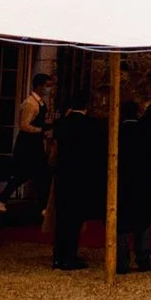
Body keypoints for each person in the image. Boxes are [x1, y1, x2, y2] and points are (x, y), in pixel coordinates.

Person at [49, 94, 105, 271]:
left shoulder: (62, 124)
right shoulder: (90, 126)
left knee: (62, 217)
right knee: (74, 219)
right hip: (81, 177)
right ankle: (69, 256)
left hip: (63, 174)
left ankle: (58, 255)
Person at [116, 102, 151, 273]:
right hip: (142, 181)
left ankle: (122, 261)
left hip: (123, 181)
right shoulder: (145, 132)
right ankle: (143, 259)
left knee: (123, 221)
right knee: (142, 221)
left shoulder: (118, 132)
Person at [0, 74, 51, 213]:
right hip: (28, 144)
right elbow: (24, 125)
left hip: (35, 142)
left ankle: (43, 205)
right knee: (27, 174)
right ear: (40, 86)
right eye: (47, 86)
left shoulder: (40, 102)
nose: (48, 89)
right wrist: (40, 129)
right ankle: (3, 198)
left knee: (37, 174)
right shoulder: (30, 103)